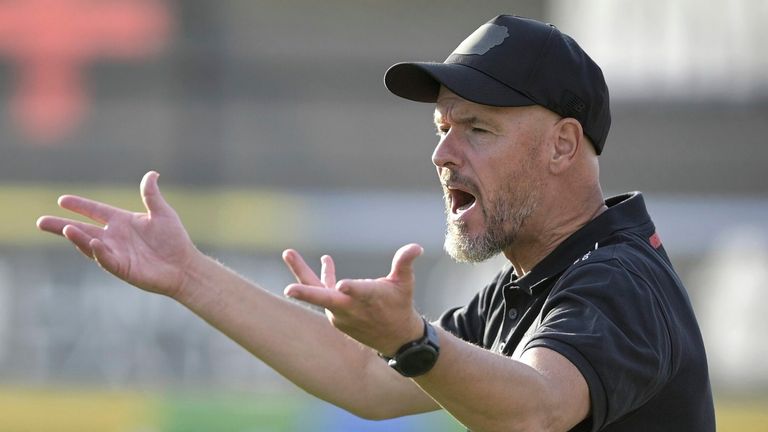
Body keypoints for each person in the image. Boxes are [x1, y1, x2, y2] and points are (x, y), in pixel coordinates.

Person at [37, 15, 715, 432]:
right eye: (442, 127)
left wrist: (414, 342)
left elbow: (534, 412)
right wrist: (188, 276)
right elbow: (363, 378)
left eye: (477, 128)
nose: (443, 153)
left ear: (564, 146)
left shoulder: (617, 279)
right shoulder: (537, 283)